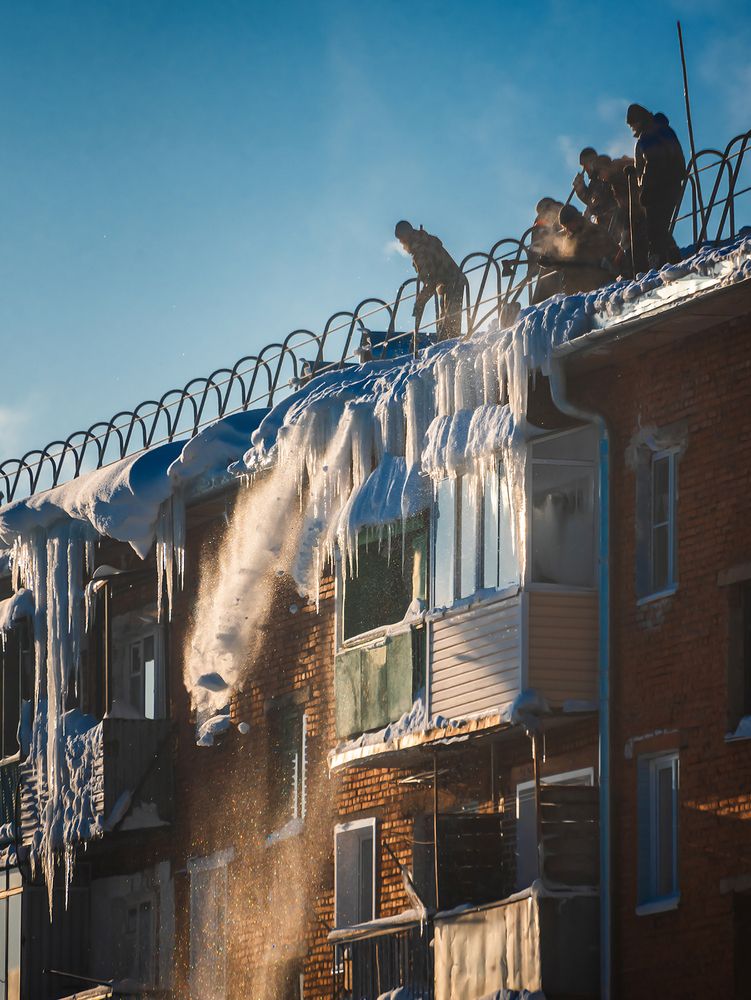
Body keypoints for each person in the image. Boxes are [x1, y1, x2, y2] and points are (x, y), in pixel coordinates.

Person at [626, 103, 686, 267]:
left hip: (658, 189)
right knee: (660, 227)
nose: (632, 127)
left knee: (654, 228)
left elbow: (654, 161)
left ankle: (659, 262)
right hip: (671, 184)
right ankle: (672, 257)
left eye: (632, 123)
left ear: (639, 120)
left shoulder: (649, 134)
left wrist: (645, 188)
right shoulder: (662, 130)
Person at [394, 221, 465, 341]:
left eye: (401, 239)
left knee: (449, 329)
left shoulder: (420, 252)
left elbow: (430, 282)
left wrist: (419, 302)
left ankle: (451, 344)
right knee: (446, 325)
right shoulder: (426, 241)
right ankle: (449, 341)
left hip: (451, 284)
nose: (401, 243)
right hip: (450, 283)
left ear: (406, 236)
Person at [556, 204, 624, 294]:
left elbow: (613, 252)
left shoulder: (594, 231)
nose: (567, 229)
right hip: (575, 290)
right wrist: (552, 262)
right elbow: (565, 264)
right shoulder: (568, 240)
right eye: (564, 227)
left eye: (568, 225)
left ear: (576, 220)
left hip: (599, 286)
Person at [528, 197, 565, 304]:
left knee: (543, 298)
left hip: (551, 261)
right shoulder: (565, 211)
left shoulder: (542, 219)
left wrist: (532, 268)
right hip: (566, 258)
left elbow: (536, 243)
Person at [572, 147, 618, 230]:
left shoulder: (603, 177)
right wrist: (580, 189)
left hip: (615, 221)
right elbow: (591, 201)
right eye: (583, 166)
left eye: (587, 163)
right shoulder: (594, 182)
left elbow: (597, 204)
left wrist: (581, 189)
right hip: (606, 224)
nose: (585, 169)